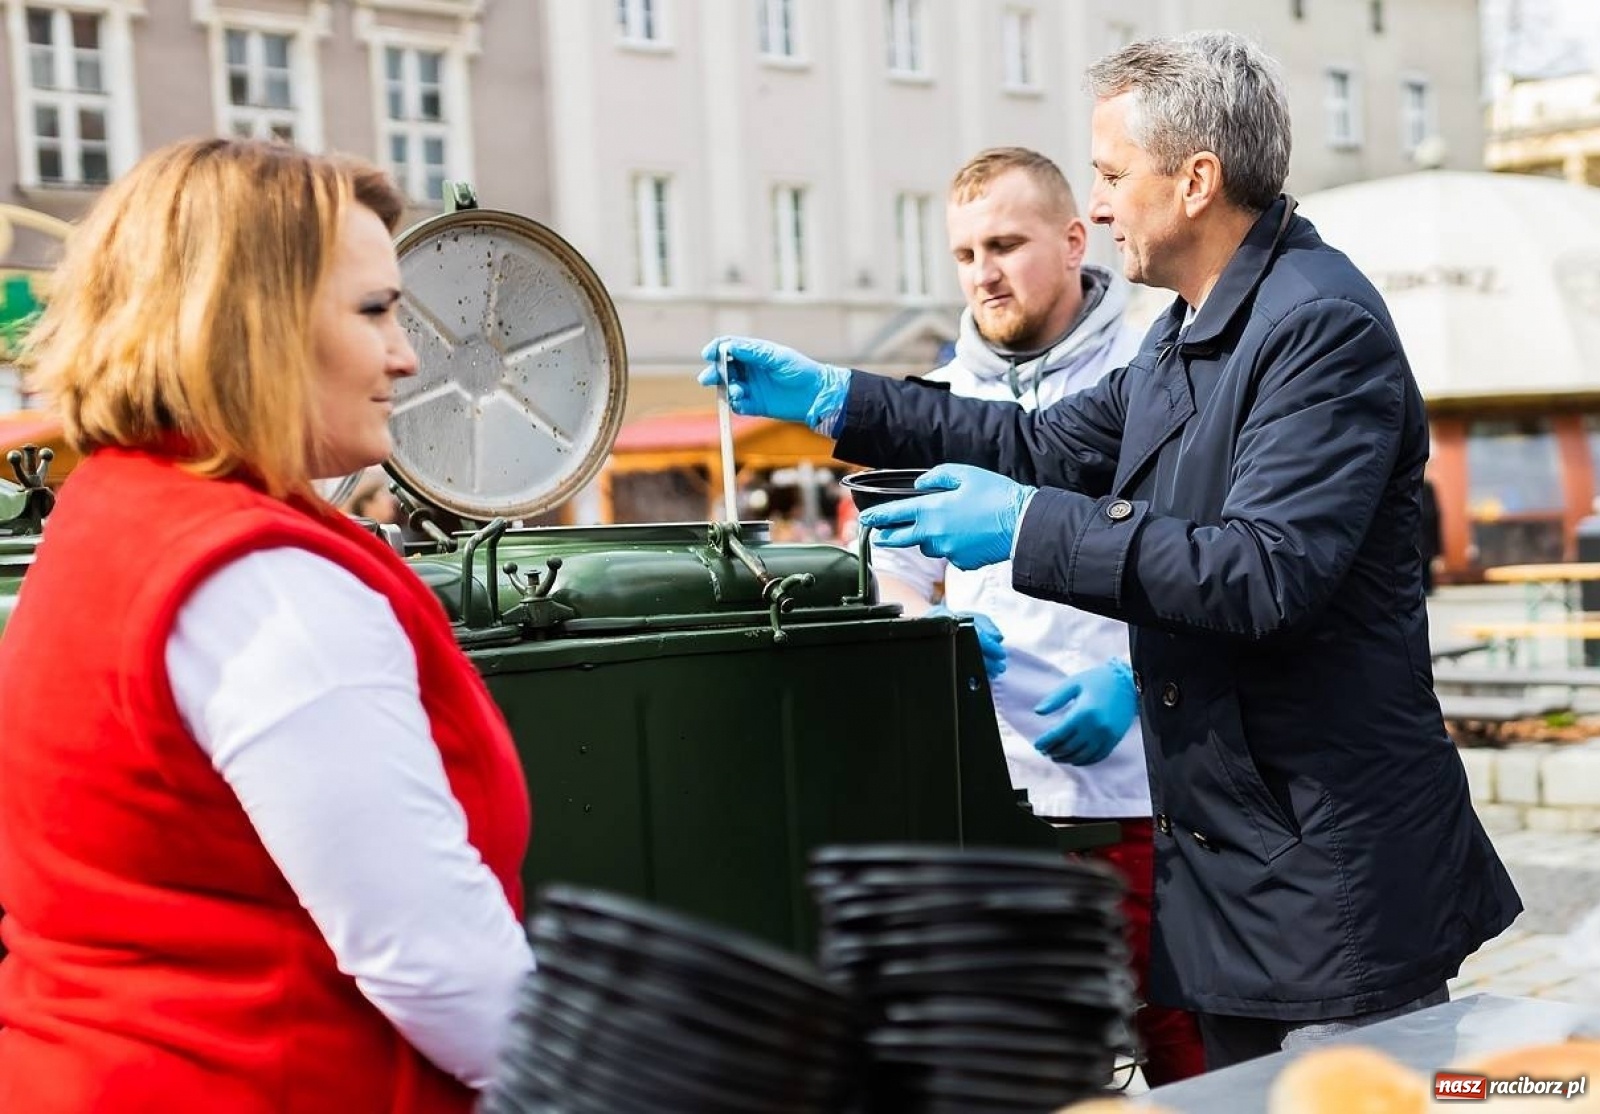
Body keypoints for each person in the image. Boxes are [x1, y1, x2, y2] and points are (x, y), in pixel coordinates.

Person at [700, 31, 1521, 1069]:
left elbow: (1263, 571)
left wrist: (1024, 527)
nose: (1094, 203)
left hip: (1329, 874)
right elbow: (1036, 442)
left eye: (1109, 174)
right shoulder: (1189, 328)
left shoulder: (1317, 324)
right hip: (1241, 867)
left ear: (1194, 181)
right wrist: (837, 397)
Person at [0, 138, 534, 1111]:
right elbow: (436, 958)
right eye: (375, 311)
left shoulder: (122, 509)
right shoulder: (265, 582)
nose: (407, 355)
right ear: (252, 321)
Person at [868, 146, 1202, 1084]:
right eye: (966, 253)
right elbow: (893, 566)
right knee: (1031, 1067)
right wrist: (926, 631)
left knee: (1183, 1048)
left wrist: (1138, 680)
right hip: (994, 802)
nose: (984, 272)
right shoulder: (941, 398)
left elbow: (1209, 557)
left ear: (1071, 238)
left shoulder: (1160, 370)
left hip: (1144, 794)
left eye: (1006, 244)